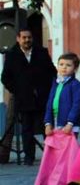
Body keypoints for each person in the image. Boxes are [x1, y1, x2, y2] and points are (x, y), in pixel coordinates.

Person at [1, 28, 56, 165]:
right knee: (27, 129)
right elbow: (5, 78)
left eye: (29, 37)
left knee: (47, 127)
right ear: (18, 39)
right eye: (24, 37)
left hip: (43, 98)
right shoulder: (12, 55)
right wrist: (18, 90)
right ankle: (29, 157)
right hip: (24, 99)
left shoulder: (41, 52)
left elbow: (52, 71)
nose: (27, 40)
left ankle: (52, 155)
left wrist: (48, 89)